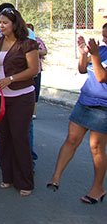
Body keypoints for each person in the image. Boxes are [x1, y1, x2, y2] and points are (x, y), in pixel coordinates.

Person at [47, 27, 107, 204]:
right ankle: (55, 177)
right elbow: (83, 69)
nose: (104, 38)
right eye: (103, 35)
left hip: (103, 108)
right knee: (71, 140)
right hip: (84, 102)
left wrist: (94, 55)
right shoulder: (101, 50)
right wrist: (83, 54)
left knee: (96, 147)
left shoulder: (99, 52)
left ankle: (98, 188)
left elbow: (102, 77)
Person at [0, 8, 38, 196]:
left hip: (21, 96)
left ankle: (25, 182)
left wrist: (11, 79)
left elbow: (34, 69)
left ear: (15, 24)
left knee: (19, 138)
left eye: (5, 22)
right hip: (0, 96)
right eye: (0, 21)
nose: (1, 25)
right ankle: (7, 177)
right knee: (5, 136)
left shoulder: (28, 44)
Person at [26, 23, 47, 119]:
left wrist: (34, 52)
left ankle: (33, 113)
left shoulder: (37, 41)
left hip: (36, 71)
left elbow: (44, 51)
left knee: (35, 91)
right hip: (24, 71)